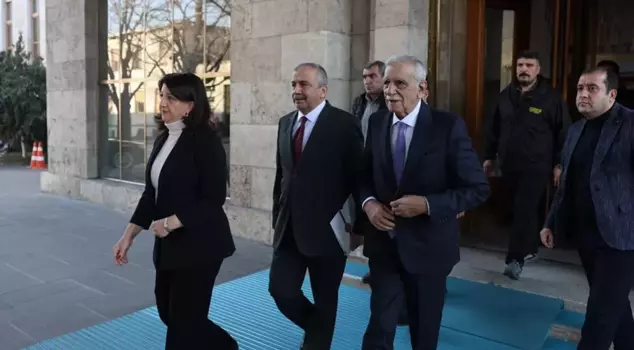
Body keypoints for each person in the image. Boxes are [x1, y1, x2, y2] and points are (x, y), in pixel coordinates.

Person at [360, 55, 489, 349]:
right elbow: (363, 174)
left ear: (423, 89)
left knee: (423, 332)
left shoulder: (448, 126)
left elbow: (477, 188)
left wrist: (428, 204)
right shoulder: (378, 122)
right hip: (384, 246)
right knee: (379, 327)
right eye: (388, 82)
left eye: (400, 83)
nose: (390, 90)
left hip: (429, 249)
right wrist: (369, 203)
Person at [112, 73, 237, 349]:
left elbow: (213, 198)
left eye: (171, 97)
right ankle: (226, 346)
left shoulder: (206, 142)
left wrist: (171, 223)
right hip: (169, 247)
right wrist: (128, 235)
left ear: (190, 105)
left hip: (201, 246)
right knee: (170, 315)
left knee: (181, 329)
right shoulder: (163, 139)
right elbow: (151, 194)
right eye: (161, 95)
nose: (163, 103)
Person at [269, 62, 364, 349]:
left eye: (304, 85)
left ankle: (317, 341)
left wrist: (359, 227)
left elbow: (357, 178)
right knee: (281, 291)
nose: (297, 90)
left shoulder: (345, 124)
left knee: (326, 299)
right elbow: (281, 175)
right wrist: (277, 215)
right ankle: (319, 329)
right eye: (294, 85)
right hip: (289, 229)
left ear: (323, 91)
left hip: (328, 231)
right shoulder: (286, 122)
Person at [541, 67, 634, 350]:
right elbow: (566, 183)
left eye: (592, 88)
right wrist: (551, 221)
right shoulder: (576, 129)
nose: (583, 94)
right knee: (613, 305)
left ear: (611, 94)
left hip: (621, 236)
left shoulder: (630, 124)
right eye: (580, 88)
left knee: (599, 315)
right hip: (587, 234)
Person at [483, 51, 570, 280]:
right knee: (521, 209)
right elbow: (493, 128)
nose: (523, 69)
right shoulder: (506, 95)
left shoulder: (550, 98)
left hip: (537, 166)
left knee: (524, 209)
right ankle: (530, 248)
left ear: (537, 70)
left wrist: (559, 164)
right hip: (509, 165)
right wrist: (489, 157)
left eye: (529, 65)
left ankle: (514, 260)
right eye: (520, 65)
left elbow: (564, 133)